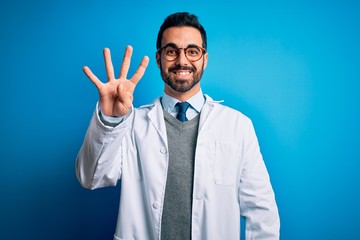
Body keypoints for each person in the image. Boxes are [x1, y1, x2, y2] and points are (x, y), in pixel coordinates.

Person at [76, 12, 280, 240]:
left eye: (192, 51)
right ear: (158, 59)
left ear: (205, 58)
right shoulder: (132, 124)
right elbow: (91, 177)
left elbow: (261, 210)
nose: (182, 61)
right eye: (171, 51)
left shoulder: (238, 126)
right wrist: (111, 119)